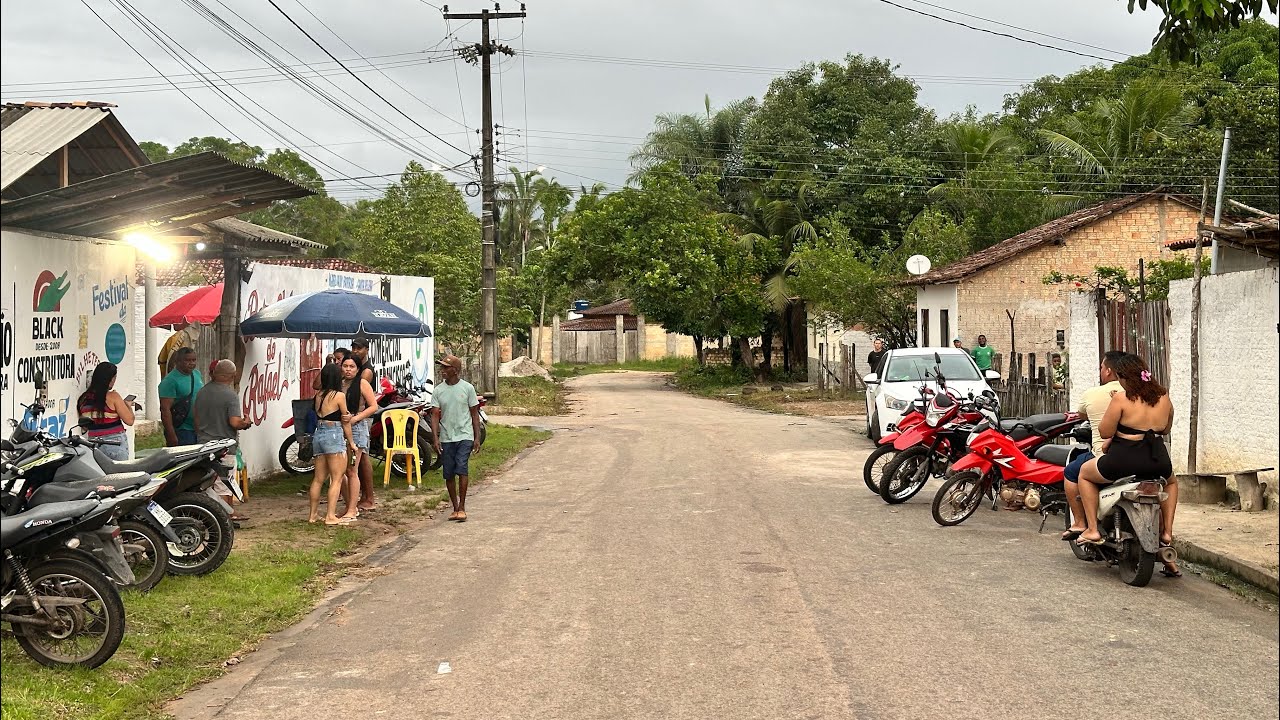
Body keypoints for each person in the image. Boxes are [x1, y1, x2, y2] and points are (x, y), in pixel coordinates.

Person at [1075, 355, 1178, 575]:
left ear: (1124, 377)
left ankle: (1092, 528)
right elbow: (1166, 429)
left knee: (1084, 474)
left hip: (1123, 461)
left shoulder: (1121, 398)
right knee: (1171, 483)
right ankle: (1167, 532)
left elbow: (1104, 432)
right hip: (1156, 460)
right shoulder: (1164, 396)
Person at [1062, 350, 1125, 541]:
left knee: (1073, 472)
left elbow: (1083, 416)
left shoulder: (1095, 394)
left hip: (1107, 458)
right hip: (1147, 459)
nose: (1101, 371)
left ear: (1108, 371)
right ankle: (1166, 536)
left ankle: (1084, 524)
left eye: (1101, 367)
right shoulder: (1139, 396)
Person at [194, 359, 253, 523]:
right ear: (232, 376)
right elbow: (234, 422)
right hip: (224, 446)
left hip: (204, 445)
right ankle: (226, 517)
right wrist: (246, 422)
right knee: (225, 483)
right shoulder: (230, 395)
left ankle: (214, 515)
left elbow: (196, 421)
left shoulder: (202, 392)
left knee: (210, 483)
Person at [431, 355, 482, 522]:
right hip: (447, 436)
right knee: (449, 473)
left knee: (462, 468)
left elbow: (474, 414)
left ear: (455, 370)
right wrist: (435, 438)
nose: (443, 370)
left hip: (464, 435)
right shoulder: (438, 390)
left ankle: (462, 507)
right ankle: (454, 506)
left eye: (446, 367)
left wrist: (476, 436)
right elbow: (435, 416)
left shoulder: (467, 388)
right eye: (442, 367)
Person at [308, 364, 358, 526]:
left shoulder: (319, 395)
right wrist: (351, 442)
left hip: (319, 434)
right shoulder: (339, 396)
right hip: (333, 434)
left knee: (318, 479)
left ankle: (313, 515)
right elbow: (345, 421)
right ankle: (330, 515)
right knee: (336, 478)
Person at [340, 355, 380, 516]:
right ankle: (350, 504)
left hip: (357, 428)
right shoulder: (338, 384)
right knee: (340, 472)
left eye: (352, 366)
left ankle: (352, 508)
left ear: (358, 369)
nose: (348, 370)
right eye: (345, 366)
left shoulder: (362, 384)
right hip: (339, 429)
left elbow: (373, 406)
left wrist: (356, 418)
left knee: (351, 469)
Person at [77, 362, 135, 461]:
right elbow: (130, 420)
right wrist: (127, 406)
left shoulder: (83, 399)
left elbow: (85, 426)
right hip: (114, 442)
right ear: (111, 379)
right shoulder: (113, 397)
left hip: (93, 444)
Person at [349, 339, 379, 510]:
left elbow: (358, 391)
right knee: (358, 460)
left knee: (363, 457)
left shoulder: (366, 372)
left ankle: (368, 497)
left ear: (366, 350)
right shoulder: (360, 368)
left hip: (362, 417)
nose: (356, 351)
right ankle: (362, 496)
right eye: (353, 347)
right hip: (356, 417)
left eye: (359, 348)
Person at [159, 347, 204, 446]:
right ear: (178, 361)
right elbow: (165, 410)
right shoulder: (170, 381)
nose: (191, 363)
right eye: (187, 360)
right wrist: (171, 434)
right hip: (182, 431)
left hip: (198, 429)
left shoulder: (196, 374)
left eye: (194, 360)